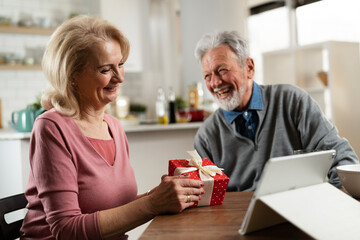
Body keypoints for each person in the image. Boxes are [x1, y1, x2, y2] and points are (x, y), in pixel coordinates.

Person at [20, 15, 204, 240]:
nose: (119, 78)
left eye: (121, 65)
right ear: (72, 76)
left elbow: (110, 208)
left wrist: (159, 197)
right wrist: (152, 203)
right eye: (105, 69)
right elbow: (66, 230)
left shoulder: (113, 126)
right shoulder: (51, 128)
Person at [193, 30, 359, 192]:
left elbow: (339, 154)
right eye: (207, 76)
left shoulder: (293, 101)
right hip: (239, 218)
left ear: (249, 68)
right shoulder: (206, 136)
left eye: (222, 70)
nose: (214, 83)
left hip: (298, 212)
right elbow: (205, 197)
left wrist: (341, 197)